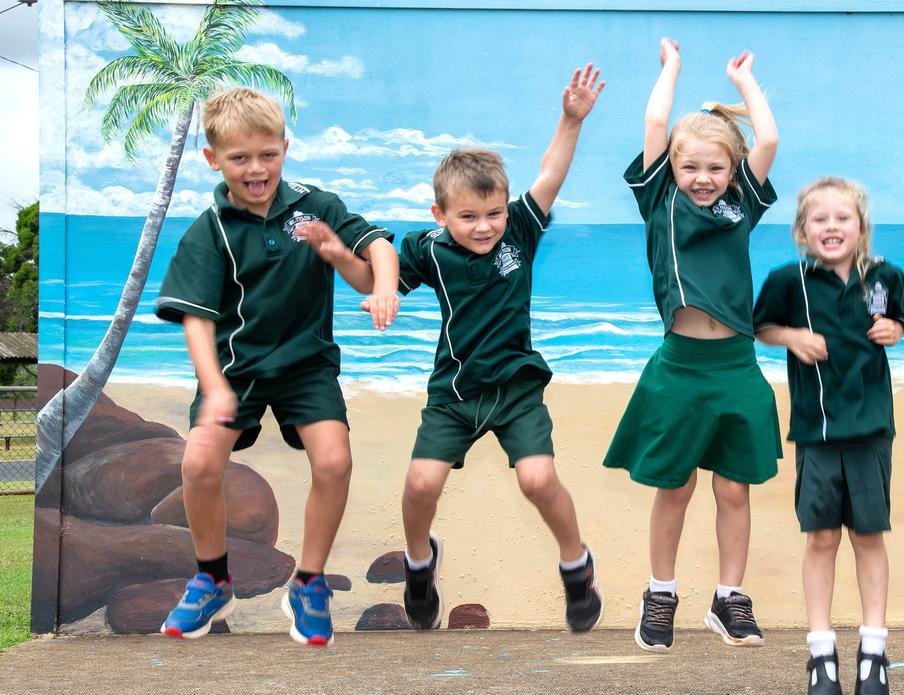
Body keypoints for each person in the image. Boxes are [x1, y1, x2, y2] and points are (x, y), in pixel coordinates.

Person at [155, 87, 400, 646]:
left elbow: (375, 254)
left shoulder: (318, 205)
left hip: (305, 365)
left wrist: (378, 284)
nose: (256, 168)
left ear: (285, 148)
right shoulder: (210, 229)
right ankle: (212, 578)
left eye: (268, 154)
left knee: (334, 461)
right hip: (235, 369)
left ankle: (310, 584)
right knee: (198, 466)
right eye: (240, 158)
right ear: (213, 160)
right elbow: (195, 319)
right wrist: (214, 387)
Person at [394, 65, 605, 633]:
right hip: (455, 393)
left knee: (537, 481)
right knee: (420, 485)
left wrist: (569, 118)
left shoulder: (520, 233)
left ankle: (576, 565)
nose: (485, 227)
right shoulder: (430, 249)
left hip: (515, 389)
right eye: (469, 217)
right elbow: (380, 261)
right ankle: (420, 564)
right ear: (440, 215)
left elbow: (551, 174)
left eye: (494, 213)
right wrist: (373, 286)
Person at [604, 38, 781, 653]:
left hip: (736, 366)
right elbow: (657, 121)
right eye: (691, 167)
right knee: (674, 486)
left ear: (731, 173)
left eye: (715, 168)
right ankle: (661, 595)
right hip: (679, 366)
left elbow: (768, 142)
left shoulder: (742, 208)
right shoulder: (660, 201)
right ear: (673, 170)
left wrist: (745, 85)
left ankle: (729, 599)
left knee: (734, 488)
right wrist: (671, 67)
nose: (702, 178)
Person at [754, 177, 904, 695]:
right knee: (821, 538)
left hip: (871, 431)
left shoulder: (885, 275)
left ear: (861, 227)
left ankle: (874, 649)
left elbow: (901, 321)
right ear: (802, 230)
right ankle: (821, 651)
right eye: (819, 219)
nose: (831, 227)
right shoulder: (788, 281)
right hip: (816, 433)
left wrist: (893, 328)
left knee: (869, 537)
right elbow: (761, 327)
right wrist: (791, 337)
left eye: (842, 218)